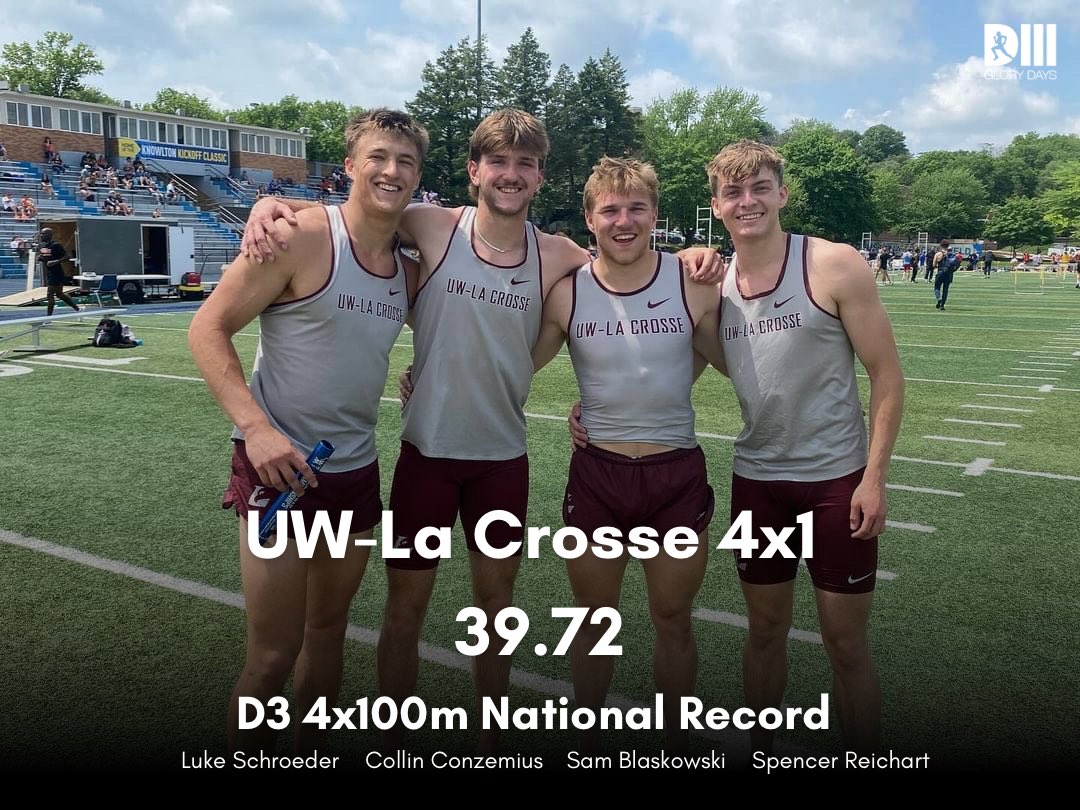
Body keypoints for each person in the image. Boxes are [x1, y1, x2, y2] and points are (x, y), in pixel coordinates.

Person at [241, 108, 722, 754]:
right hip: (426, 459)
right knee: (404, 613)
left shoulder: (558, 254)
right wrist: (272, 201)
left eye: (525, 164)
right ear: (474, 171)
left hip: (501, 462)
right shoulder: (432, 226)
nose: (510, 174)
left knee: (494, 617)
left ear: (540, 177)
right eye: (498, 161)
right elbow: (361, 208)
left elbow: (627, 258)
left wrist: (694, 256)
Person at [575, 141, 903, 755]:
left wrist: (875, 477)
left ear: (782, 193)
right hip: (758, 479)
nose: (747, 202)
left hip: (837, 480)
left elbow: (887, 372)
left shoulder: (834, 264)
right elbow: (686, 355)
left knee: (845, 642)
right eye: (733, 193)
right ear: (716, 206)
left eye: (759, 189)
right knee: (765, 629)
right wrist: (606, 409)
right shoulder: (710, 282)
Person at [188, 108, 428, 756]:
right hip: (280, 472)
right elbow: (206, 329)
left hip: (352, 471)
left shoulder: (407, 268)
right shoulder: (299, 237)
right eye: (378, 157)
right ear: (348, 166)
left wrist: (421, 376)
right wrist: (256, 429)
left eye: (406, 162)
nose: (392, 171)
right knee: (271, 655)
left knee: (328, 633)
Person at [530, 157, 724, 753]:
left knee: (674, 620)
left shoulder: (692, 279)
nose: (623, 220)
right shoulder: (567, 292)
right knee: (594, 624)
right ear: (590, 219)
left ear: (655, 215)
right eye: (610, 209)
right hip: (598, 478)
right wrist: (423, 374)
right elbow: (512, 367)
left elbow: (737, 358)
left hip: (675, 475)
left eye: (636, 207)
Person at [38, 227, 80, 316]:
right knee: (60, 294)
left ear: (49, 235)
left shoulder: (56, 245)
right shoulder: (45, 246)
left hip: (56, 273)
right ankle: (77, 308)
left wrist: (55, 261)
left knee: (50, 294)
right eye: (41, 234)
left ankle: (48, 317)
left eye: (43, 234)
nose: (41, 235)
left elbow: (67, 256)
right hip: (50, 273)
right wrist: (40, 258)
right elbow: (45, 258)